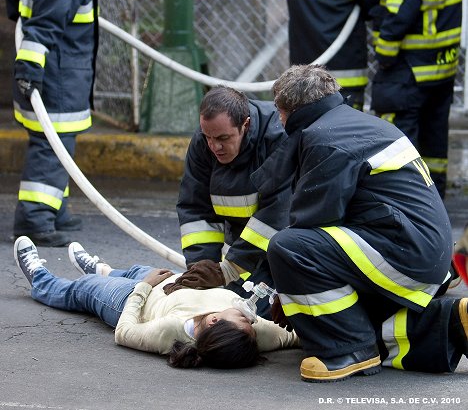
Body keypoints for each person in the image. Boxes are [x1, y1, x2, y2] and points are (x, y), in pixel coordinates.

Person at [256, 64, 465, 382]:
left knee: (289, 247)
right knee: (346, 314)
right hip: (419, 251)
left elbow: (310, 222)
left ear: (289, 111)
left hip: (406, 252)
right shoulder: (351, 123)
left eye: (280, 112)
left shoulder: (324, 137)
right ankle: (452, 322)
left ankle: (349, 350)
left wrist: (284, 287)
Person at [6, 0, 115, 247]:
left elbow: (14, 8)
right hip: (56, 82)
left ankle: (56, 209)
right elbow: (41, 30)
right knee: (51, 150)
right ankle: (35, 220)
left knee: (58, 149)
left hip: (50, 81)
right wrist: (30, 73)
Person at [13, 236, 299, 369]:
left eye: (244, 320)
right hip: (170, 282)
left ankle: (41, 278)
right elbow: (296, 336)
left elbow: (125, 333)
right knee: (136, 268)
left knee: (83, 290)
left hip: (131, 300)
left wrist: (142, 289)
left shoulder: (172, 332)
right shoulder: (252, 336)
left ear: (214, 322)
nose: (252, 317)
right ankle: (103, 270)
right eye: (250, 321)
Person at [371, 0, 462, 199]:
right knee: (434, 141)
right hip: (443, 64)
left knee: (396, 141)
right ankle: (434, 205)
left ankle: (403, 206)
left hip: (410, 68)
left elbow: (400, 9)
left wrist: (384, 52)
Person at [164, 86, 291, 316]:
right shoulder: (204, 141)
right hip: (240, 253)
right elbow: (196, 208)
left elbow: (277, 213)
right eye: (208, 138)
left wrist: (228, 270)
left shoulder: (277, 138)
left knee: (248, 314)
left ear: (246, 124)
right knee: (210, 303)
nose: (214, 147)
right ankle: (106, 280)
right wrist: (201, 267)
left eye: (223, 138)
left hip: (281, 252)